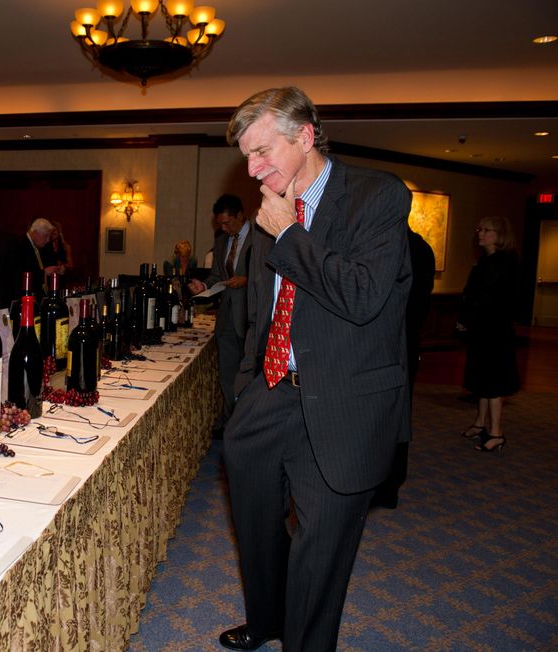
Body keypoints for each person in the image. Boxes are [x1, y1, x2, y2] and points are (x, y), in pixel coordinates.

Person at [219, 86, 412, 652]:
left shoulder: (377, 198)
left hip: (343, 404)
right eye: (246, 157)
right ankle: (267, 619)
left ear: (304, 137)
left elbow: (361, 296)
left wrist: (290, 235)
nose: (252, 170)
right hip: (269, 391)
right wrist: (246, 388)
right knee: (255, 531)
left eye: (262, 152)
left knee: (319, 554)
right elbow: (260, 310)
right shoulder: (267, 214)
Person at [372, 226, 436, 509]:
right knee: (399, 413)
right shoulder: (422, 248)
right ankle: (390, 485)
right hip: (407, 342)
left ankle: (382, 484)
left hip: (387, 344)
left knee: (384, 416)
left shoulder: (390, 246)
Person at [189, 194, 253, 438]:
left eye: (228, 223)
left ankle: (245, 424)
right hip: (227, 316)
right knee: (227, 374)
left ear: (240, 215)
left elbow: (269, 273)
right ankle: (230, 421)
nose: (224, 228)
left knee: (247, 375)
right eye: (220, 224)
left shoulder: (260, 236)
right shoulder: (220, 239)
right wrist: (204, 287)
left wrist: (246, 280)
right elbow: (217, 276)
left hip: (250, 314)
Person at [456, 215, 520, 452]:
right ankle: (481, 423)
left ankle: (497, 432)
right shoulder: (487, 261)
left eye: (487, 230)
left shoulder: (504, 263)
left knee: (493, 382)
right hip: (483, 330)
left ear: (499, 235)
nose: (480, 233)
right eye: (479, 228)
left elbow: (490, 300)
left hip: (495, 332)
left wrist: (470, 318)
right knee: (481, 380)